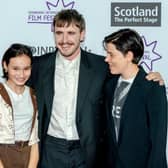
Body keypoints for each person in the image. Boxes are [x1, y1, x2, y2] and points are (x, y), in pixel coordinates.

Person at [28, 9, 165, 168]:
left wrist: (151, 78)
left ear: (82, 34)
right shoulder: (38, 65)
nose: (64, 39)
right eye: (59, 32)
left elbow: (129, 73)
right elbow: (15, 81)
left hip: (88, 152)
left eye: (71, 32)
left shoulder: (101, 66)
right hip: (51, 149)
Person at [103, 28, 167, 168]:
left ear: (129, 55)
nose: (106, 59)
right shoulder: (109, 84)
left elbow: (158, 140)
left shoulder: (152, 87)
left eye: (111, 54)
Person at [0, 43, 39, 168]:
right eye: (15, 68)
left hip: (27, 155)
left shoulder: (34, 95)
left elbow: (34, 139)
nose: (21, 75)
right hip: (3, 154)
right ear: (5, 66)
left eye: (26, 68)